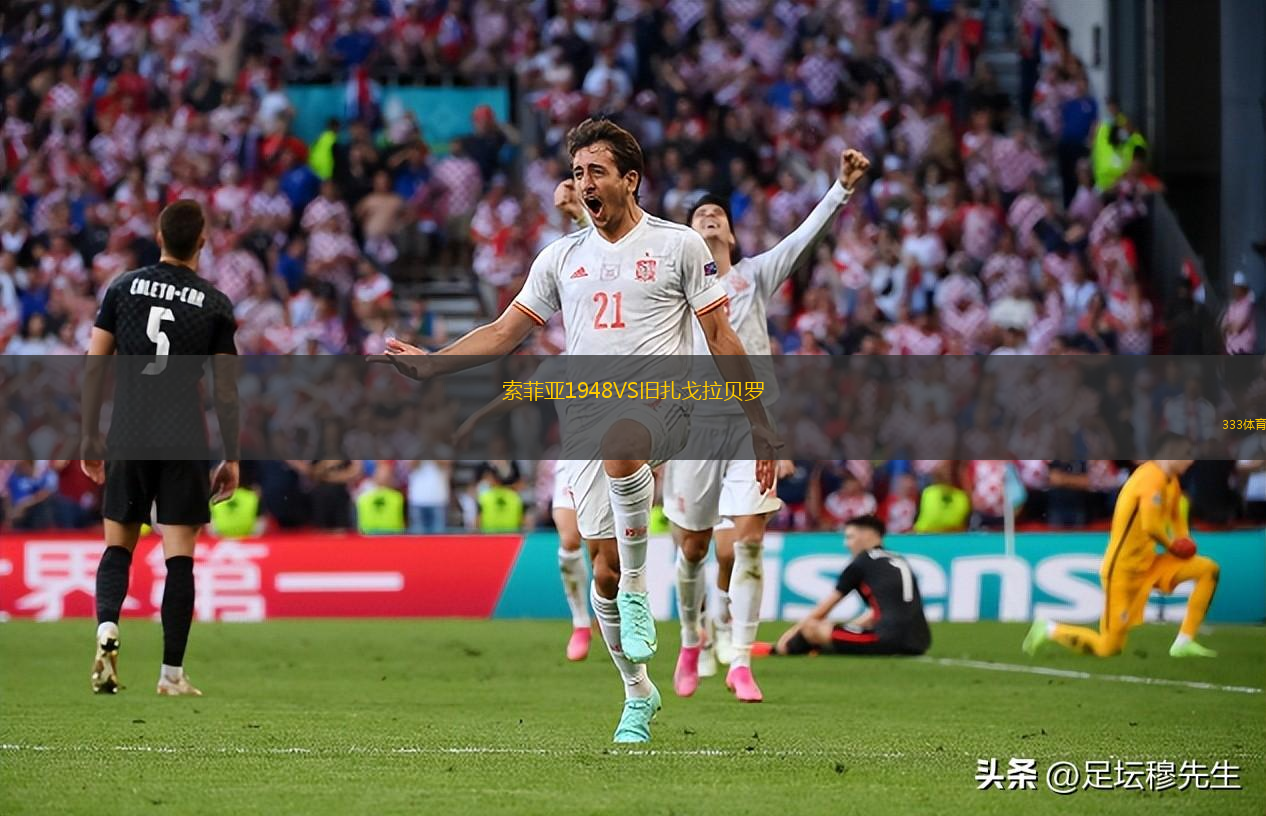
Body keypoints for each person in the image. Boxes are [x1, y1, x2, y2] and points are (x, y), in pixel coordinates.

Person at [372, 118, 780, 744]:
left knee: (624, 450)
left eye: (597, 171)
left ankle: (642, 589)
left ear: (630, 179)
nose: (584, 183)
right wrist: (434, 363)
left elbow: (722, 337)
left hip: (665, 404)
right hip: (587, 417)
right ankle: (637, 693)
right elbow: (503, 333)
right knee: (602, 571)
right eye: (577, 172)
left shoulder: (677, 245)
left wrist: (758, 423)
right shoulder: (562, 258)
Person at [665, 147, 870, 703]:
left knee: (749, 544)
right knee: (694, 549)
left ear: (732, 235)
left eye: (718, 215)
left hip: (750, 425)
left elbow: (803, 239)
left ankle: (739, 660)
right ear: (687, 238)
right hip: (692, 428)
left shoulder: (755, 275)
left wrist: (841, 188)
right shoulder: (674, 286)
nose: (710, 218)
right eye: (700, 216)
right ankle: (691, 641)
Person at [79, 200, 240, 697]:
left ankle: (108, 626)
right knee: (179, 559)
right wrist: (232, 455)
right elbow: (226, 388)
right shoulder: (214, 304)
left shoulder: (123, 288)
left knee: (117, 546)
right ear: (202, 241)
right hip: (183, 436)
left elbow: (95, 363)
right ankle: (171, 674)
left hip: (128, 429)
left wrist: (88, 433)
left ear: (159, 236)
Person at [449, 179, 596, 661]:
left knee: (608, 560)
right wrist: (475, 420)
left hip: (620, 453)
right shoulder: (560, 367)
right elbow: (514, 398)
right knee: (568, 539)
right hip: (573, 460)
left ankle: (613, 617)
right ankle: (580, 623)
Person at [1023, 436, 1220, 659]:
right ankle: (1049, 629)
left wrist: (1185, 540)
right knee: (1109, 648)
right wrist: (1173, 547)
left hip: (1149, 564)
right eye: (1186, 455)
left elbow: (1176, 519)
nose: (1191, 461)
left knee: (1208, 570)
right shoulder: (1150, 478)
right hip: (1123, 570)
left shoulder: (1171, 482)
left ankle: (1184, 642)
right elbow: (1151, 527)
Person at [756, 515, 931, 656]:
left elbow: (822, 610)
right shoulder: (898, 559)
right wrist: (852, 627)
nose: (846, 544)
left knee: (811, 628)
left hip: (886, 639)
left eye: (850, 537)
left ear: (868, 535)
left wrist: (789, 636)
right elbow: (885, 610)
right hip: (920, 641)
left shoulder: (862, 562)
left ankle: (784, 650)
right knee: (841, 629)